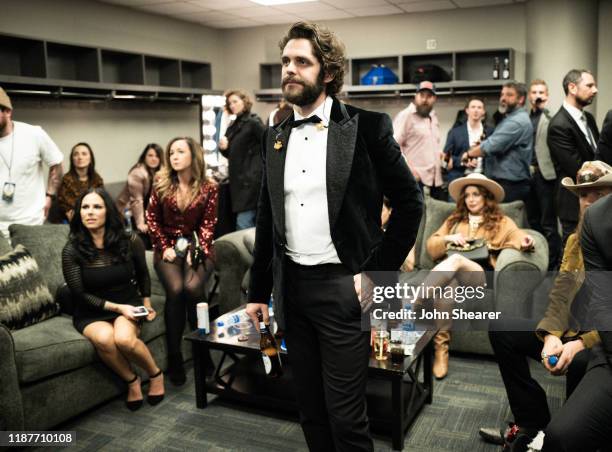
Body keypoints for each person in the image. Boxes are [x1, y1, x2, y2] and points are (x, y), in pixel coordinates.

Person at [245, 22, 422, 452]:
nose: (290, 69)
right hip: (294, 291)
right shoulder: (276, 136)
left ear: (327, 72)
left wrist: (377, 273)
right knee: (309, 409)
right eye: (286, 61)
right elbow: (269, 217)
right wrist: (258, 291)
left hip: (346, 289)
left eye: (301, 62)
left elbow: (410, 202)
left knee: (347, 417)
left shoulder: (367, 127)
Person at [478, 161, 612, 449]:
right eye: (582, 195)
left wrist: (580, 344)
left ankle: (573, 434)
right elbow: (560, 294)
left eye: (598, 195)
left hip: (601, 340)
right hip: (571, 330)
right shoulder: (575, 240)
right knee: (502, 328)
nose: (588, 202)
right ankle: (532, 421)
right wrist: (551, 334)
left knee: (579, 364)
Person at [61, 187, 164, 411]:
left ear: (107, 211)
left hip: (128, 301)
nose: (90, 212)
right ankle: (132, 381)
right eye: (85, 207)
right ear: (79, 213)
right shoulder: (71, 250)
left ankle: (155, 374)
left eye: (96, 207)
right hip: (91, 309)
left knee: (124, 340)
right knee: (105, 340)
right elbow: (79, 294)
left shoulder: (129, 240)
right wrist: (119, 309)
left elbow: (142, 274)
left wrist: (146, 304)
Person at [424, 173, 535, 379]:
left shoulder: (501, 220)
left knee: (456, 260)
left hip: (483, 276)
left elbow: (519, 236)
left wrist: (526, 241)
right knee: (446, 288)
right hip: (456, 276)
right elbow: (432, 246)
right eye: (467, 195)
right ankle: (442, 351)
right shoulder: (455, 220)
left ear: (486, 197)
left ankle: (417, 299)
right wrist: (450, 237)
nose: (471, 199)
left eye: (476, 194)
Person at [145, 137, 218, 386]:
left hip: (199, 246)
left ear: (193, 156)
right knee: (176, 290)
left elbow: (209, 226)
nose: (174, 156)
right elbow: (151, 220)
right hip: (166, 248)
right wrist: (164, 247)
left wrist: (195, 249)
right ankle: (175, 356)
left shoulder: (209, 187)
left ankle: (203, 352)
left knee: (193, 288)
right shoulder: (161, 184)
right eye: (171, 152)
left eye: (180, 151)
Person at [0, 86, 63, 237]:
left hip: (30, 223)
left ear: (7, 111)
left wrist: (49, 196)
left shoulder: (33, 134)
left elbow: (56, 163)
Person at [547, 69, 599, 244]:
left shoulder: (589, 118)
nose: (595, 90)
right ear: (572, 88)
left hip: (596, 198)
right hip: (573, 201)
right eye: (589, 85)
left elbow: (597, 154)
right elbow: (576, 167)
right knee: (572, 254)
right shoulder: (558, 125)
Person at [460, 82, 533, 203]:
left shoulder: (516, 122)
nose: (503, 98)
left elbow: (490, 147)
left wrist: (469, 154)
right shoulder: (509, 118)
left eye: (509, 95)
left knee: (504, 221)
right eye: (502, 94)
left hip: (510, 185)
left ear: (521, 99)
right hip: (506, 183)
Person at [525, 79, 562, 270]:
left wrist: (544, 108)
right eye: (534, 92)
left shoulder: (552, 117)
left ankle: (554, 265)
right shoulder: (523, 118)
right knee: (532, 222)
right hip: (527, 176)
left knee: (548, 223)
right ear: (529, 96)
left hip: (545, 176)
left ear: (546, 96)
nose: (537, 95)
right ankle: (537, 262)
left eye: (541, 92)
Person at [218, 89, 265, 230]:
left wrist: (257, 170)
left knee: (243, 225)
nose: (232, 105)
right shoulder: (233, 125)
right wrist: (224, 148)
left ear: (244, 102)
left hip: (250, 182)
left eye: (235, 101)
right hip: (239, 182)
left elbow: (270, 145)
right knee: (244, 225)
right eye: (230, 103)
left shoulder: (253, 122)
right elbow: (233, 154)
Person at [393, 81, 445, 200]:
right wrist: (409, 170)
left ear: (434, 99)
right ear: (415, 96)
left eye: (429, 96)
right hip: (415, 180)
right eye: (422, 95)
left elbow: (431, 144)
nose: (425, 99)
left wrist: (441, 155)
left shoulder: (433, 116)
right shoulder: (406, 116)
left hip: (435, 181)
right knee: (417, 218)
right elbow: (393, 147)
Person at [115, 143, 163, 248]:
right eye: (150, 155)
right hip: (127, 211)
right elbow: (136, 200)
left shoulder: (159, 173)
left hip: (146, 210)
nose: (153, 159)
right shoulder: (137, 172)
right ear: (144, 157)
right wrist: (140, 223)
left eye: (157, 156)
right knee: (143, 236)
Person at [443, 96, 493, 185]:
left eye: (479, 107)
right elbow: (446, 158)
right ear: (467, 110)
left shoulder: (490, 132)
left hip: (484, 179)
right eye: (473, 107)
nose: (476, 110)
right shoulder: (455, 132)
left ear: (483, 112)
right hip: (459, 179)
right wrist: (463, 161)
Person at [57, 142, 104, 222]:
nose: (80, 157)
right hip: (73, 219)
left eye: (84, 154)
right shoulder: (66, 180)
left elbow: (101, 202)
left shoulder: (97, 179)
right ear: (72, 159)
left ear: (90, 159)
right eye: (76, 154)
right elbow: (69, 211)